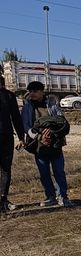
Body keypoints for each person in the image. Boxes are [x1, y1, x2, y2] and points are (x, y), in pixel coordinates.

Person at [21, 81, 71, 207]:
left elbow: (61, 121)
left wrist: (51, 133)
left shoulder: (52, 104)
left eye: (35, 91)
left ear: (42, 91)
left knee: (59, 171)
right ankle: (50, 196)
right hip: (39, 145)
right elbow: (26, 126)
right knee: (44, 173)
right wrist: (38, 136)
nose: (32, 93)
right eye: (30, 91)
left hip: (55, 144)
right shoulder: (27, 107)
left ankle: (63, 196)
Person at [0, 76, 25, 212]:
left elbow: (16, 117)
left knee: (5, 169)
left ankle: (3, 200)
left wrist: (21, 137)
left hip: (6, 138)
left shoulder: (9, 96)